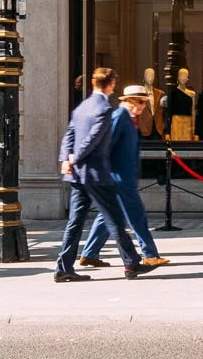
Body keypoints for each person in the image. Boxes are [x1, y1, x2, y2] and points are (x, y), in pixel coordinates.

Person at [57, 67, 150, 282]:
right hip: (95, 173)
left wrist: (66, 160)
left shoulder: (83, 106)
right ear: (111, 85)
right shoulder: (104, 108)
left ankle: (63, 268)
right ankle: (132, 264)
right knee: (114, 219)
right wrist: (75, 158)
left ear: (93, 83)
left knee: (75, 223)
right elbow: (93, 139)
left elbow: (70, 133)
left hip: (78, 175)